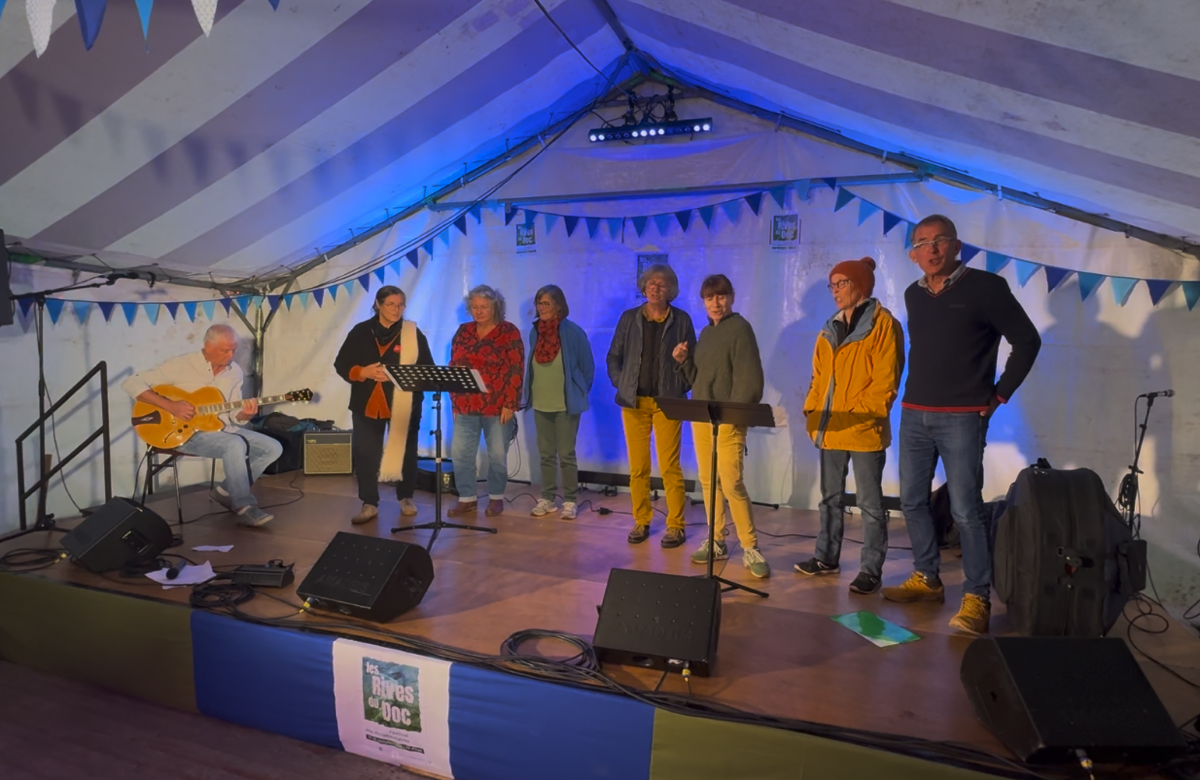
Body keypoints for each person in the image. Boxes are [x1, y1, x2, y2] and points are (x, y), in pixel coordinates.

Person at [882, 214, 1041, 635]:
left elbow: (1027, 340)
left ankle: (977, 597)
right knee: (912, 502)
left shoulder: (987, 287)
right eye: (922, 243)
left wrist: (999, 395)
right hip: (914, 413)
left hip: (963, 417)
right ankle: (927, 577)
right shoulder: (914, 294)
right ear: (913, 255)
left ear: (957, 246)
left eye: (940, 240)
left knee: (966, 511)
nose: (931, 249)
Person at [796, 258, 904, 595]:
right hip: (830, 429)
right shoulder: (829, 328)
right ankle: (826, 557)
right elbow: (818, 378)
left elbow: (885, 382)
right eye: (832, 284)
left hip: (863, 428)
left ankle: (870, 570)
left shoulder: (884, 325)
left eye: (841, 283)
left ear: (860, 284)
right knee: (829, 498)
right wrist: (812, 412)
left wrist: (857, 414)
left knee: (871, 505)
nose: (835, 290)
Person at [122, 324, 282, 526]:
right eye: (225, 350)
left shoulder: (234, 372)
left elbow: (234, 416)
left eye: (234, 350)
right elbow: (131, 383)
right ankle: (243, 505)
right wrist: (170, 406)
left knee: (273, 448)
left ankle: (225, 492)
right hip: (184, 434)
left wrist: (245, 414)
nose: (231, 355)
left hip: (221, 429)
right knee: (234, 444)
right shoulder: (181, 365)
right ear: (208, 347)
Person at [672, 274, 770, 578]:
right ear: (703, 301)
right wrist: (683, 361)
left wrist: (734, 415)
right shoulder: (706, 332)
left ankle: (750, 546)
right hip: (703, 418)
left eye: (721, 296)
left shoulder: (740, 329)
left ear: (732, 297)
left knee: (732, 484)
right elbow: (698, 381)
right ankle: (716, 540)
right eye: (709, 298)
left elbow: (750, 379)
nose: (716, 303)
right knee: (708, 482)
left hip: (728, 419)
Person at [606, 264, 696, 548]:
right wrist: (622, 383)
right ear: (643, 288)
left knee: (670, 467)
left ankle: (676, 526)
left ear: (671, 290)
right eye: (650, 283)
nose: (655, 288)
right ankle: (641, 520)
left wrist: (680, 385)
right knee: (638, 468)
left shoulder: (682, 320)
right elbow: (613, 357)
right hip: (634, 403)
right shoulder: (629, 318)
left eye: (661, 284)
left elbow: (692, 362)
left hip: (668, 403)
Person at [334, 286, 433, 525]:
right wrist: (363, 372)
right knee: (366, 453)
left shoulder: (412, 333)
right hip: (367, 402)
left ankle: (406, 497)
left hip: (404, 403)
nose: (397, 309)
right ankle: (369, 502)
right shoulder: (360, 331)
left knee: (406, 450)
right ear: (378, 304)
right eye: (391, 304)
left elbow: (427, 369)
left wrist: (398, 376)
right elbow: (341, 364)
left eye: (400, 305)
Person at [447, 285, 524, 517]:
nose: (479, 311)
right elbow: (454, 366)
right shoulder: (463, 331)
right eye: (474, 307)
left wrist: (510, 403)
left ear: (495, 307)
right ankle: (467, 498)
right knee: (461, 454)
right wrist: (454, 401)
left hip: (497, 406)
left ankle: (496, 497)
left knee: (497, 456)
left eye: (484, 307)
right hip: (466, 405)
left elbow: (516, 369)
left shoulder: (508, 331)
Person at [523, 285, 595, 520]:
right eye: (539, 303)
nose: (541, 308)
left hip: (566, 404)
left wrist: (578, 392)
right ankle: (547, 498)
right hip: (541, 402)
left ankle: (570, 500)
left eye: (546, 303)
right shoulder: (535, 332)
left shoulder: (573, 332)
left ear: (559, 306)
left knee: (566, 454)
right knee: (545, 454)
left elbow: (587, 367)